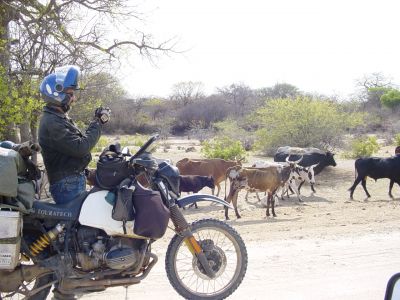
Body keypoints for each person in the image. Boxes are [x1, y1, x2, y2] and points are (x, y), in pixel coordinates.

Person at [38, 65, 111, 205]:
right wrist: (98, 123)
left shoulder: (58, 118)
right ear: (57, 93)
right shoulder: (52, 122)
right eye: (70, 94)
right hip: (67, 184)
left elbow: (76, 143)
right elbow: (80, 147)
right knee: (77, 225)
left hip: (70, 181)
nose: (74, 98)